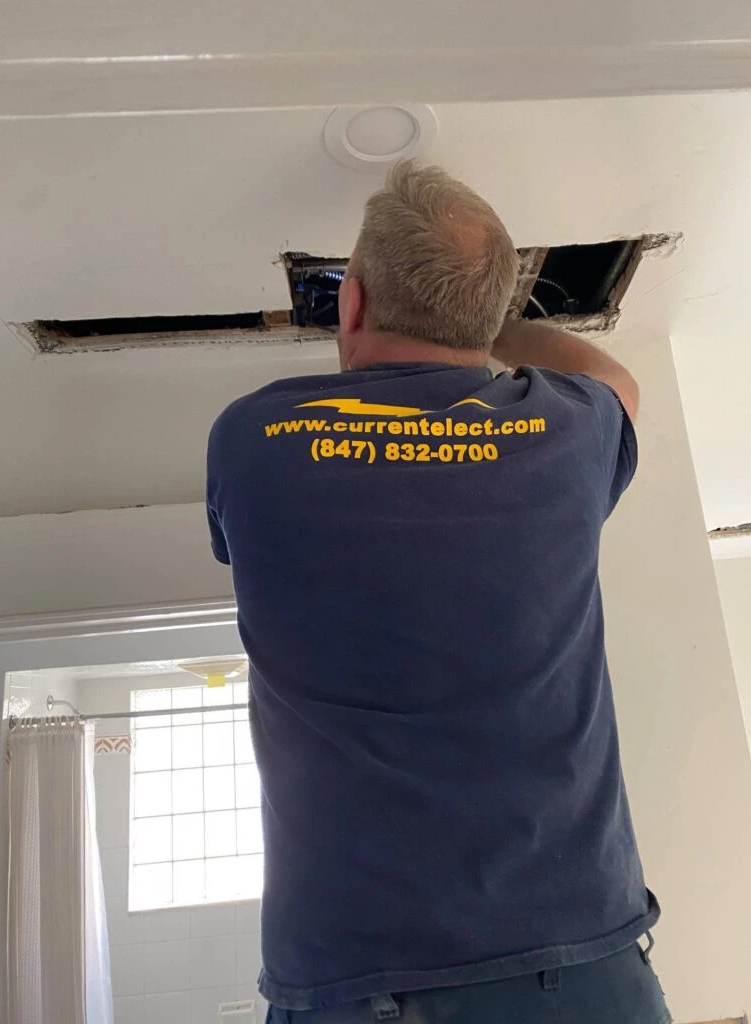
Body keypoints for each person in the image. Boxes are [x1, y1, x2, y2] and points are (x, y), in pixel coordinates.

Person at [207, 162, 671, 1023]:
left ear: (350, 305)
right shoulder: (565, 434)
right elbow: (620, 382)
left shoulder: (253, 440)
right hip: (573, 955)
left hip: (354, 971)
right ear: (487, 316)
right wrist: (498, 331)